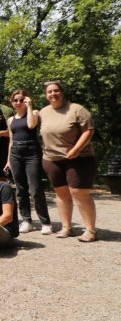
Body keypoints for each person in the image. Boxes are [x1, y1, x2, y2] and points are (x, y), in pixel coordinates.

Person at [40, 81, 97, 242]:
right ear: (46, 95)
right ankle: (66, 227)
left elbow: (89, 130)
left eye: (56, 91)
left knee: (79, 192)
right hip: (52, 159)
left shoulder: (76, 109)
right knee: (61, 193)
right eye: (49, 92)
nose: (53, 94)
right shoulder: (43, 112)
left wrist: (76, 149)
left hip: (79, 157)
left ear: (62, 92)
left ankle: (90, 230)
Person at [6, 89, 51, 235]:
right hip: (15, 154)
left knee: (35, 189)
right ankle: (26, 220)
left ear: (26, 100)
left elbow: (31, 126)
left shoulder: (34, 113)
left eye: (21, 100)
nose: (18, 102)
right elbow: (11, 141)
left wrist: (30, 106)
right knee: (20, 189)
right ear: (12, 103)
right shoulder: (11, 120)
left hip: (32, 153)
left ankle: (45, 222)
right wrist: (8, 160)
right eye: (15, 100)